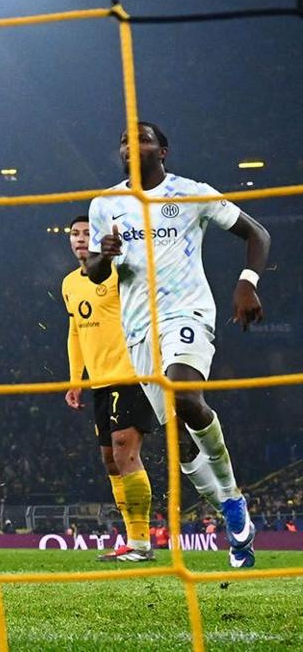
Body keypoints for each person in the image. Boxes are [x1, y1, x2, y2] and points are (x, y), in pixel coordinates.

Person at [86, 122, 272, 569]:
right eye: (124, 140)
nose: (132, 145)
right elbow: (94, 273)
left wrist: (247, 283)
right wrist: (103, 255)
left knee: (186, 396)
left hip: (186, 313)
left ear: (163, 151)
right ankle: (231, 509)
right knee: (180, 443)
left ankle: (230, 497)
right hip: (138, 330)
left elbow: (257, 234)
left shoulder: (191, 193)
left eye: (143, 138)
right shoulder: (105, 204)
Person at [60, 217, 156, 562]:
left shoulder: (118, 274)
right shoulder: (70, 283)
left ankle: (142, 543)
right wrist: (76, 380)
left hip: (131, 374)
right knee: (110, 461)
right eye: (75, 234)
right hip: (99, 381)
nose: (81, 239)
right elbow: (76, 333)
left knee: (123, 451)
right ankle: (133, 540)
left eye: (87, 233)